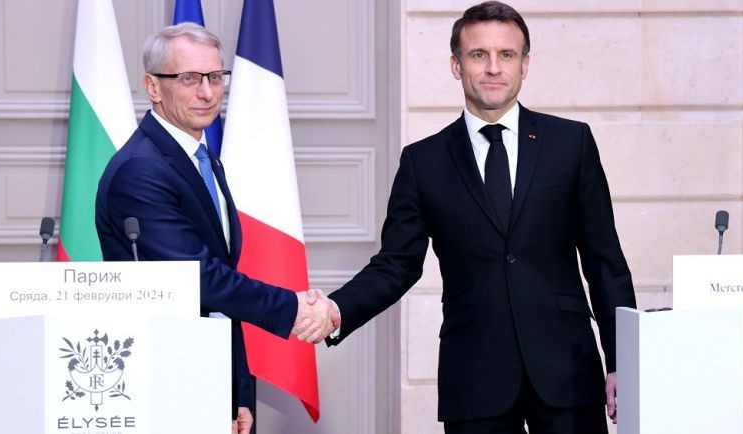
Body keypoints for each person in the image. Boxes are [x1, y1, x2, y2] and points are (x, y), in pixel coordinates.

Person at [309, 2, 637, 433]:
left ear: (525, 65)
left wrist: (624, 362)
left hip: (567, 374)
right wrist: (338, 309)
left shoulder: (570, 143)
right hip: (474, 378)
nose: (493, 68)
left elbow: (604, 261)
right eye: (479, 54)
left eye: (507, 55)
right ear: (456, 65)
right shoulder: (422, 162)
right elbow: (396, 264)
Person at [95, 23, 336, 434]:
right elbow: (199, 279)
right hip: (165, 383)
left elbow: (220, 299)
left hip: (208, 378)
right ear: (153, 87)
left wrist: (236, 392)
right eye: (189, 79)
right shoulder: (141, 170)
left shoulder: (200, 156)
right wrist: (294, 308)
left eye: (216, 77)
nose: (207, 93)